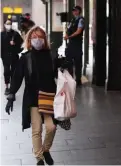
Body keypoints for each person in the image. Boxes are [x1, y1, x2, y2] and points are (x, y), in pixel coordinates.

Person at [5, 26, 66, 165]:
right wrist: (11, 95)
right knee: (36, 129)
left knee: (51, 127)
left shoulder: (51, 55)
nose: (37, 40)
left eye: (40, 37)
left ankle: (46, 149)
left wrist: (64, 65)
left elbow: (58, 74)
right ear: (29, 40)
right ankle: (39, 158)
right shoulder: (26, 58)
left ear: (44, 39)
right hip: (32, 98)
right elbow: (17, 77)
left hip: (49, 97)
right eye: (34, 37)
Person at [1, 19, 23, 95]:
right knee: (6, 72)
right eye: (7, 24)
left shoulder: (16, 34)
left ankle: (12, 88)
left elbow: (22, 45)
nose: (8, 25)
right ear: (4, 25)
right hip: (5, 56)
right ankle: (7, 87)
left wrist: (15, 44)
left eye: (9, 24)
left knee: (14, 72)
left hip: (14, 56)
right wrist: (1, 55)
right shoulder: (2, 34)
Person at [64, 5, 85, 86]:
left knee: (78, 62)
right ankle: (70, 78)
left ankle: (78, 80)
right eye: (73, 11)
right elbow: (68, 29)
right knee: (68, 61)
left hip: (77, 44)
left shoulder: (81, 20)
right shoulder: (72, 20)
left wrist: (68, 36)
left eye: (76, 10)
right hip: (71, 44)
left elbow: (78, 31)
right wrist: (66, 35)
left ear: (79, 11)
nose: (74, 12)